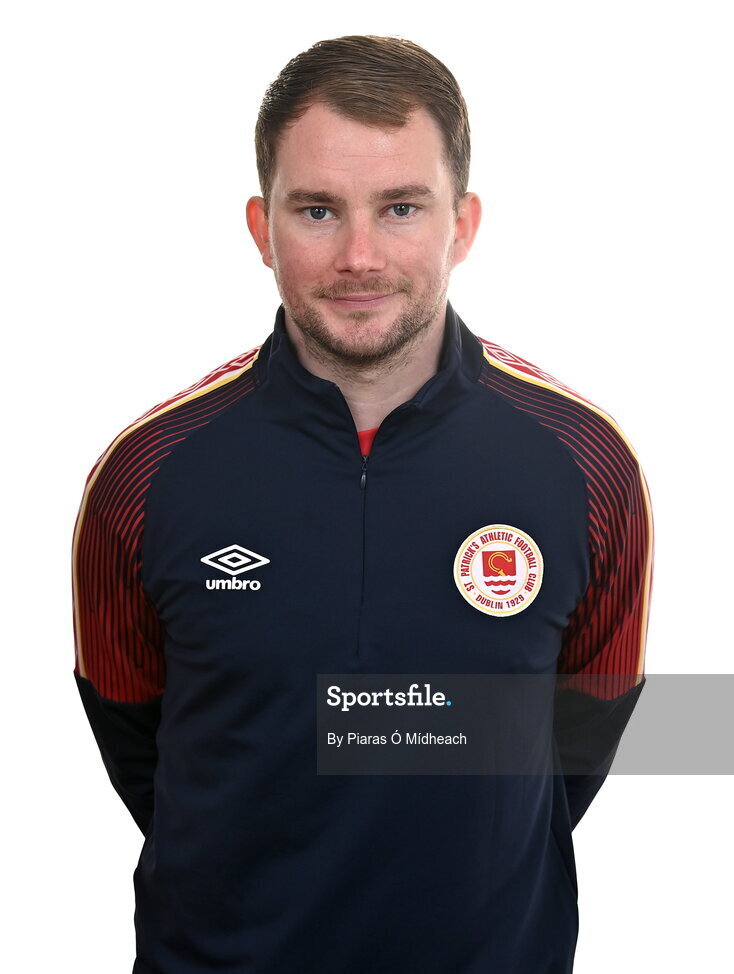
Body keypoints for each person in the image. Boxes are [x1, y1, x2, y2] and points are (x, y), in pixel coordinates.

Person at [71, 34, 654, 974]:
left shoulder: (585, 463)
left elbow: (583, 727)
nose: (359, 256)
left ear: (461, 225)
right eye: (316, 210)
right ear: (260, 228)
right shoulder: (147, 473)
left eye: (401, 208)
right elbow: (139, 738)